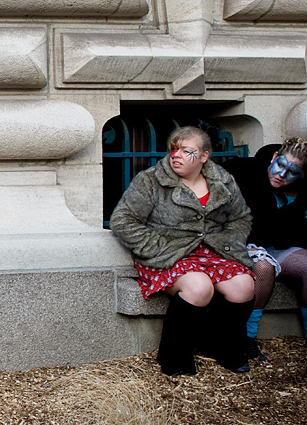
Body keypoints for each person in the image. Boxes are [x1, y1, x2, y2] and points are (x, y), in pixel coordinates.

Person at [110, 126, 256, 376]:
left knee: (243, 286)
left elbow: (241, 218)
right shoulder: (151, 180)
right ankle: (173, 357)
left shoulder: (222, 181)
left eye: (186, 151)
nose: (176, 155)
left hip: (211, 253)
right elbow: (122, 221)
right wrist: (157, 247)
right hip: (166, 254)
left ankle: (224, 348)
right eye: (173, 150)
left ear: (204, 156)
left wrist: (228, 243)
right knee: (199, 287)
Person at [225, 138, 307, 361]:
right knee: (263, 266)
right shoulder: (246, 170)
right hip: (244, 245)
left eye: (292, 171)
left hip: (280, 246)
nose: (281, 174)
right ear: (274, 157)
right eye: (280, 165)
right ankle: (247, 338)